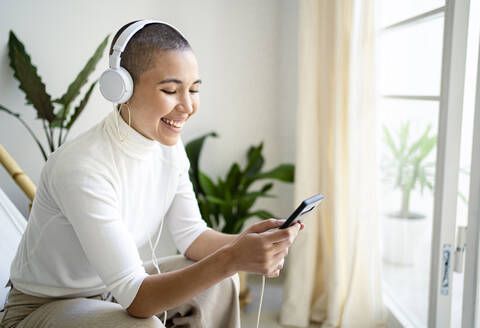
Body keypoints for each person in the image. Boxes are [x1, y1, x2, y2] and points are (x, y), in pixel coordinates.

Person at [0, 20, 302, 328]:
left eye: (194, 90)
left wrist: (246, 246)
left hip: (107, 293)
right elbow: (138, 298)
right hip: (40, 310)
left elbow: (192, 236)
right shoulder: (82, 167)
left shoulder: (167, 146)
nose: (187, 106)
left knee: (221, 284)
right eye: (171, 90)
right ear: (121, 88)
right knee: (142, 325)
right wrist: (232, 259)